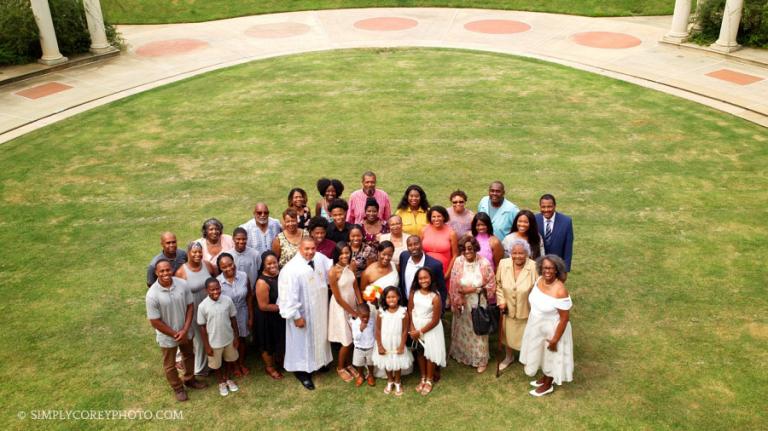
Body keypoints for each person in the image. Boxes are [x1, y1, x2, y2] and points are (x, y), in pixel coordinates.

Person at [145, 259, 207, 402]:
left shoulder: (182, 284)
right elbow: (155, 321)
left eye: (168, 270)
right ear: (156, 273)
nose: (166, 273)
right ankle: (178, 388)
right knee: (170, 364)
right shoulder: (152, 295)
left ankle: (190, 379)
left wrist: (185, 329)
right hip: (167, 337)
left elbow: (190, 306)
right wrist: (174, 333)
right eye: (162, 271)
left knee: (189, 355)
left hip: (185, 330)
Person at [278, 238, 333, 390]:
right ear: (299, 249)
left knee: (319, 338)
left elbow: (331, 268)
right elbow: (287, 296)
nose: (310, 252)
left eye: (313, 248)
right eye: (306, 249)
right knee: (302, 342)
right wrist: (296, 316)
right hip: (302, 314)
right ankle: (302, 372)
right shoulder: (291, 270)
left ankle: (319, 363)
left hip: (318, 310)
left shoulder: (319, 258)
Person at [519, 255, 573, 396]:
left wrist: (555, 340)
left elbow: (564, 318)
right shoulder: (539, 280)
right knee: (541, 354)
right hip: (537, 326)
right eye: (544, 268)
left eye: (550, 268)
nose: (547, 271)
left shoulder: (560, 291)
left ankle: (548, 384)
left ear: (557, 270)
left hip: (553, 330)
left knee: (550, 356)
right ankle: (544, 377)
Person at [448, 235, 496, 373]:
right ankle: (463, 355)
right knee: (463, 331)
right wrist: (456, 300)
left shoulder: (484, 263)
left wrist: (475, 289)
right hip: (462, 303)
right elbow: (453, 283)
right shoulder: (458, 261)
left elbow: (492, 285)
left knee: (478, 331)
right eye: (464, 249)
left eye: (470, 248)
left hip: (478, 303)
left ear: (475, 248)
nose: (467, 251)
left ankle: (480, 359)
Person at [174, 241, 216, 376]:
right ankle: (200, 369)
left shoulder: (207, 265)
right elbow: (177, 294)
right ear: (188, 254)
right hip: (194, 308)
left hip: (210, 305)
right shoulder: (181, 272)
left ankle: (214, 364)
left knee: (211, 334)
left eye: (200, 252)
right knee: (199, 339)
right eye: (194, 252)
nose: (198, 254)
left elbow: (215, 278)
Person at [496, 239, 538, 370]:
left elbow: (538, 288)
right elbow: (498, 285)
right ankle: (509, 357)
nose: (518, 256)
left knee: (527, 335)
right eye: (514, 253)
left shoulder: (534, 266)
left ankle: (526, 359)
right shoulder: (503, 264)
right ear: (510, 253)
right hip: (507, 308)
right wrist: (501, 301)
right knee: (508, 334)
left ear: (527, 253)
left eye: (521, 253)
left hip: (526, 308)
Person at [197, 278, 240, 397]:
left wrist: (236, 337)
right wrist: (206, 345)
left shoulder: (227, 300)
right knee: (217, 364)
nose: (216, 292)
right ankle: (221, 381)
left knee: (229, 360)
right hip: (213, 342)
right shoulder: (203, 306)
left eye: (218, 288)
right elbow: (201, 327)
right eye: (212, 290)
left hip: (228, 338)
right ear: (207, 291)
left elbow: (233, 319)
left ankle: (227, 378)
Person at [408, 267, 446, 396]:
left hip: (430, 329)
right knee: (419, 353)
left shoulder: (435, 297)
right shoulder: (414, 292)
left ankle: (429, 380)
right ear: (417, 280)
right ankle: (423, 377)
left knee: (430, 354)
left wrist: (420, 331)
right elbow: (410, 310)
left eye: (426, 277)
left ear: (431, 279)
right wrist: (412, 328)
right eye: (420, 278)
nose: (423, 280)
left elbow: (435, 320)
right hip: (416, 327)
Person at [327, 241, 361, 383]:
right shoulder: (333, 272)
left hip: (353, 305)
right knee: (346, 341)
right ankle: (340, 367)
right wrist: (352, 312)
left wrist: (361, 305)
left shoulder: (351, 266)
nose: (345, 255)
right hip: (341, 308)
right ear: (337, 254)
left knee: (352, 339)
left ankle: (348, 364)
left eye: (347, 252)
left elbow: (356, 287)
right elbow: (338, 298)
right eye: (342, 253)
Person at [216, 253, 252, 377]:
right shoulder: (218, 282)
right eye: (224, 266)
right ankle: (234, 365)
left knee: (242, 339)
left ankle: (241, 363)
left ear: (234, 263)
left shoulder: (243, 276)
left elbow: (249, 296)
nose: (228, 268)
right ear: (220, 268)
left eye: (230, 264)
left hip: (242, 312)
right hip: (227, 316)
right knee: (231, 341)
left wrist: (251, 316)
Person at [373, 286, 413, 396]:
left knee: (397, 362)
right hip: (385, 341)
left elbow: (405, 330)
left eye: (394, 297)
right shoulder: (381, 312)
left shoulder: (403, 312)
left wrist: (401, 345)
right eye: (388, 297)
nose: (391, 299)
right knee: (387, 361)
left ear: (399, 297)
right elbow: (378, 329)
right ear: (384, 298)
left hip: (397, 341)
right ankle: (390, 380)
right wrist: (380, 345)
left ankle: (398, 381)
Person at [253, 251, 286, 380]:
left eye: (274, 262)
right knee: (267, 342)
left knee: (279, 338)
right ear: (263, 265)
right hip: (266, 316)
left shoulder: (281, 274)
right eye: (269, 263)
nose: (273, 265)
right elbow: (263, 306)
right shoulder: (262, 282)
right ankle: (270, 367)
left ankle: (280, 360)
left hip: (278, 315)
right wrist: (285, 307)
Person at [397, 236, 447, 309]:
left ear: (421, 244)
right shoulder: (404, 257)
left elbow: (442, 290)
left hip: (425, 306)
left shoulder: (434, 265)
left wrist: (440, 311)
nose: (413, 247)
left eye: (416, 244)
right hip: (405, 305)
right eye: (410, 245)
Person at [535, 194, 574, 281]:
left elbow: (568, 248)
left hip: (557, 268)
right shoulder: (534, 220)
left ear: (555, 206)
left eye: (549, 207)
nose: (546, 210)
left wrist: (565, 270)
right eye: (543, 207)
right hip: (539, 266)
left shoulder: (566, 222)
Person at [420, 205, 458, 279]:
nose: (436, 219)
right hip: (425, 270)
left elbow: (455, 255)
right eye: (433, 217)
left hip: (444, 270)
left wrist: (448, 274)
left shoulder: (451, 233)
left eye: (439, 216)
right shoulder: (424, 230)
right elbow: (420, 250)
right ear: (430, 218)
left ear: (444, 217)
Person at [360, 241, 399, 306]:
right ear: (378, 252)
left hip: (393, 305)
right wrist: (372, 299)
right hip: (376, 306)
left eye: (390, 255)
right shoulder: (367, 273)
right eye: (383, 254)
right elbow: (362, 290)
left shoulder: (395, 267)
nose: (386, 258)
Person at [349, 303, 376, 387]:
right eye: (363, 317)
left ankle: (371, 375)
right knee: (359, 363)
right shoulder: (355, 324)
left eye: (367, 316)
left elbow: (374, 332)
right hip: (359, 348)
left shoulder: (372, 321)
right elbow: (355, 338)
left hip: (370, 346)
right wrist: (360, 329)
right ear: (358, 314)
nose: (366, 319)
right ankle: (361, 376)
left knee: (370, 363)